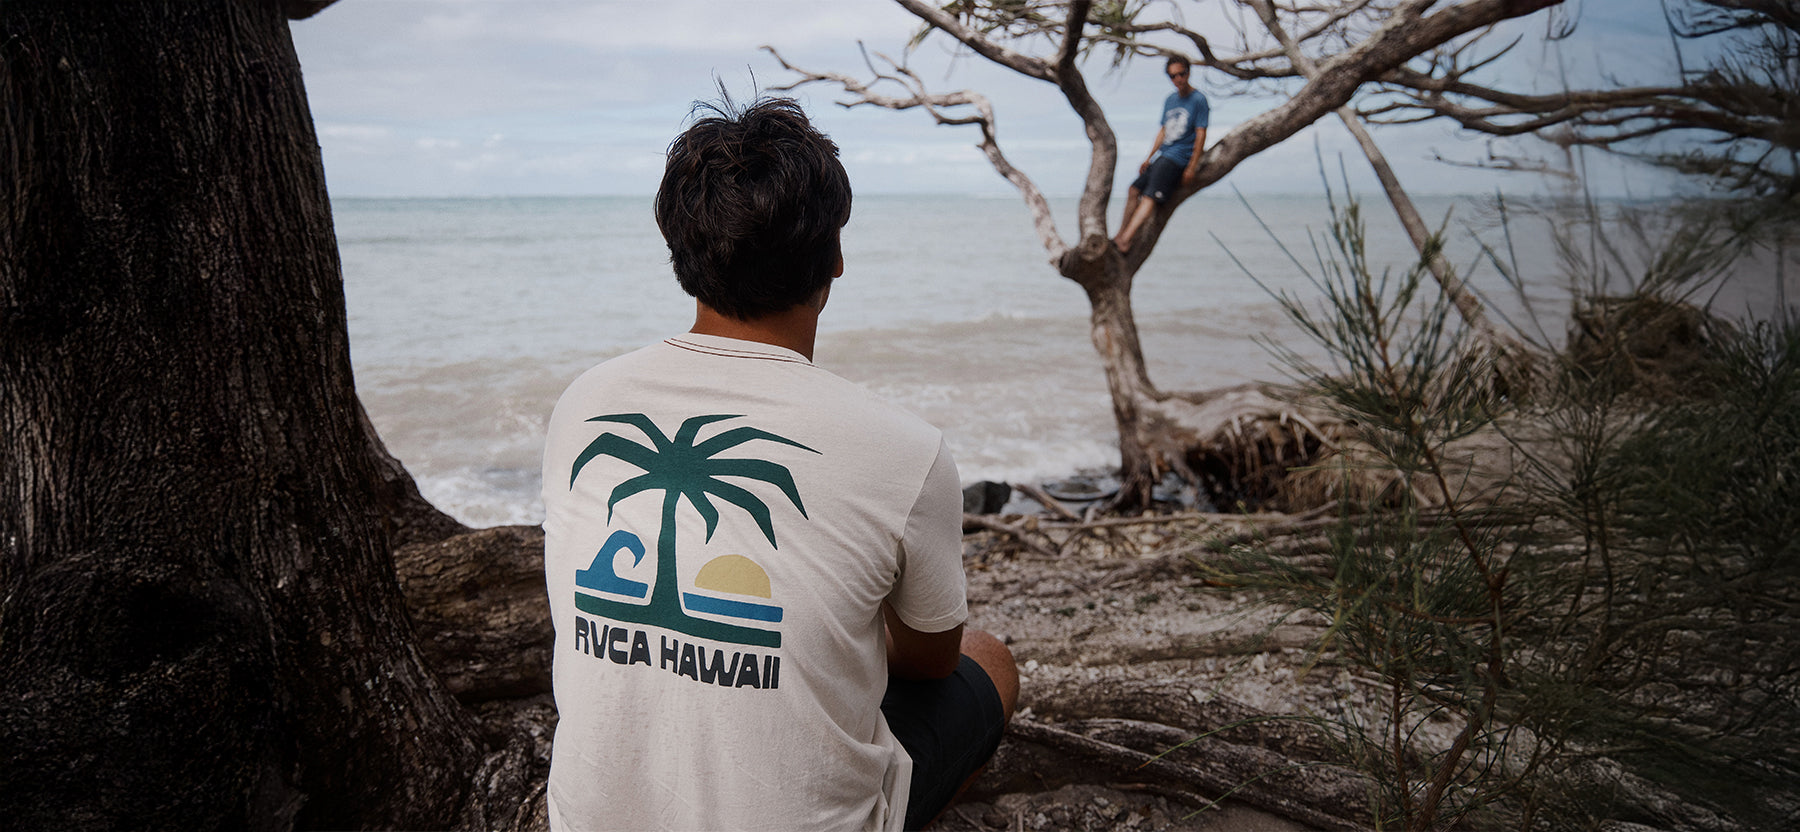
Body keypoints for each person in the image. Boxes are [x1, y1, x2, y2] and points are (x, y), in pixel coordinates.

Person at [540, 95, 1019, 832]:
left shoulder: (584, 404)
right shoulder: (906, 451)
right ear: (833, 257)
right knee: (991, 660)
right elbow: (931, 659)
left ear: (683, 254)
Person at [1112, 55, 1209, 254]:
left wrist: (1192, 166)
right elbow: (1163, 131)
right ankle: (1120, 234)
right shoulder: (1170, 100)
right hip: (1163, 155)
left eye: (1181, 74)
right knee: (1133, 190)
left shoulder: (1198, 100)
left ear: (1188, 73)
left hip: (1178, 158)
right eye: (1173, 76)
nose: (1178, 79)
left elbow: (1201, 134)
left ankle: (1126, 240)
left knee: (1149, 197)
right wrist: (1148, 157)